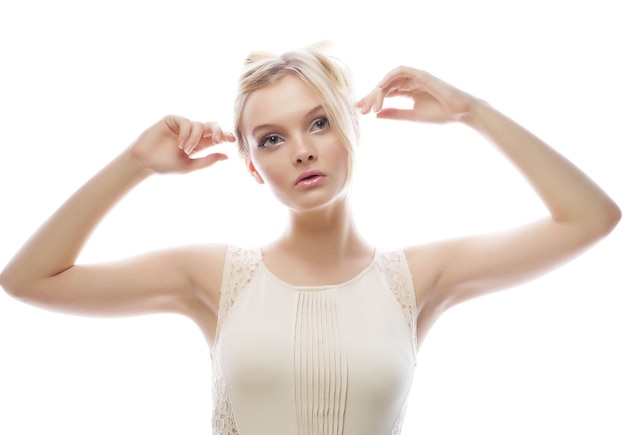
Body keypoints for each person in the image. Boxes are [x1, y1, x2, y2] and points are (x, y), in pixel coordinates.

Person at [0, 43, 621, 435]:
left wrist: (471, 111)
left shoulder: (417, 278)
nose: (301, 150)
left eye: (319, 122)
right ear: (251, 165)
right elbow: (28, 279)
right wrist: (135, 162)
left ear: (353, 129)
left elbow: (591, 218)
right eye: (271, 138)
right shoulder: (215, 276)